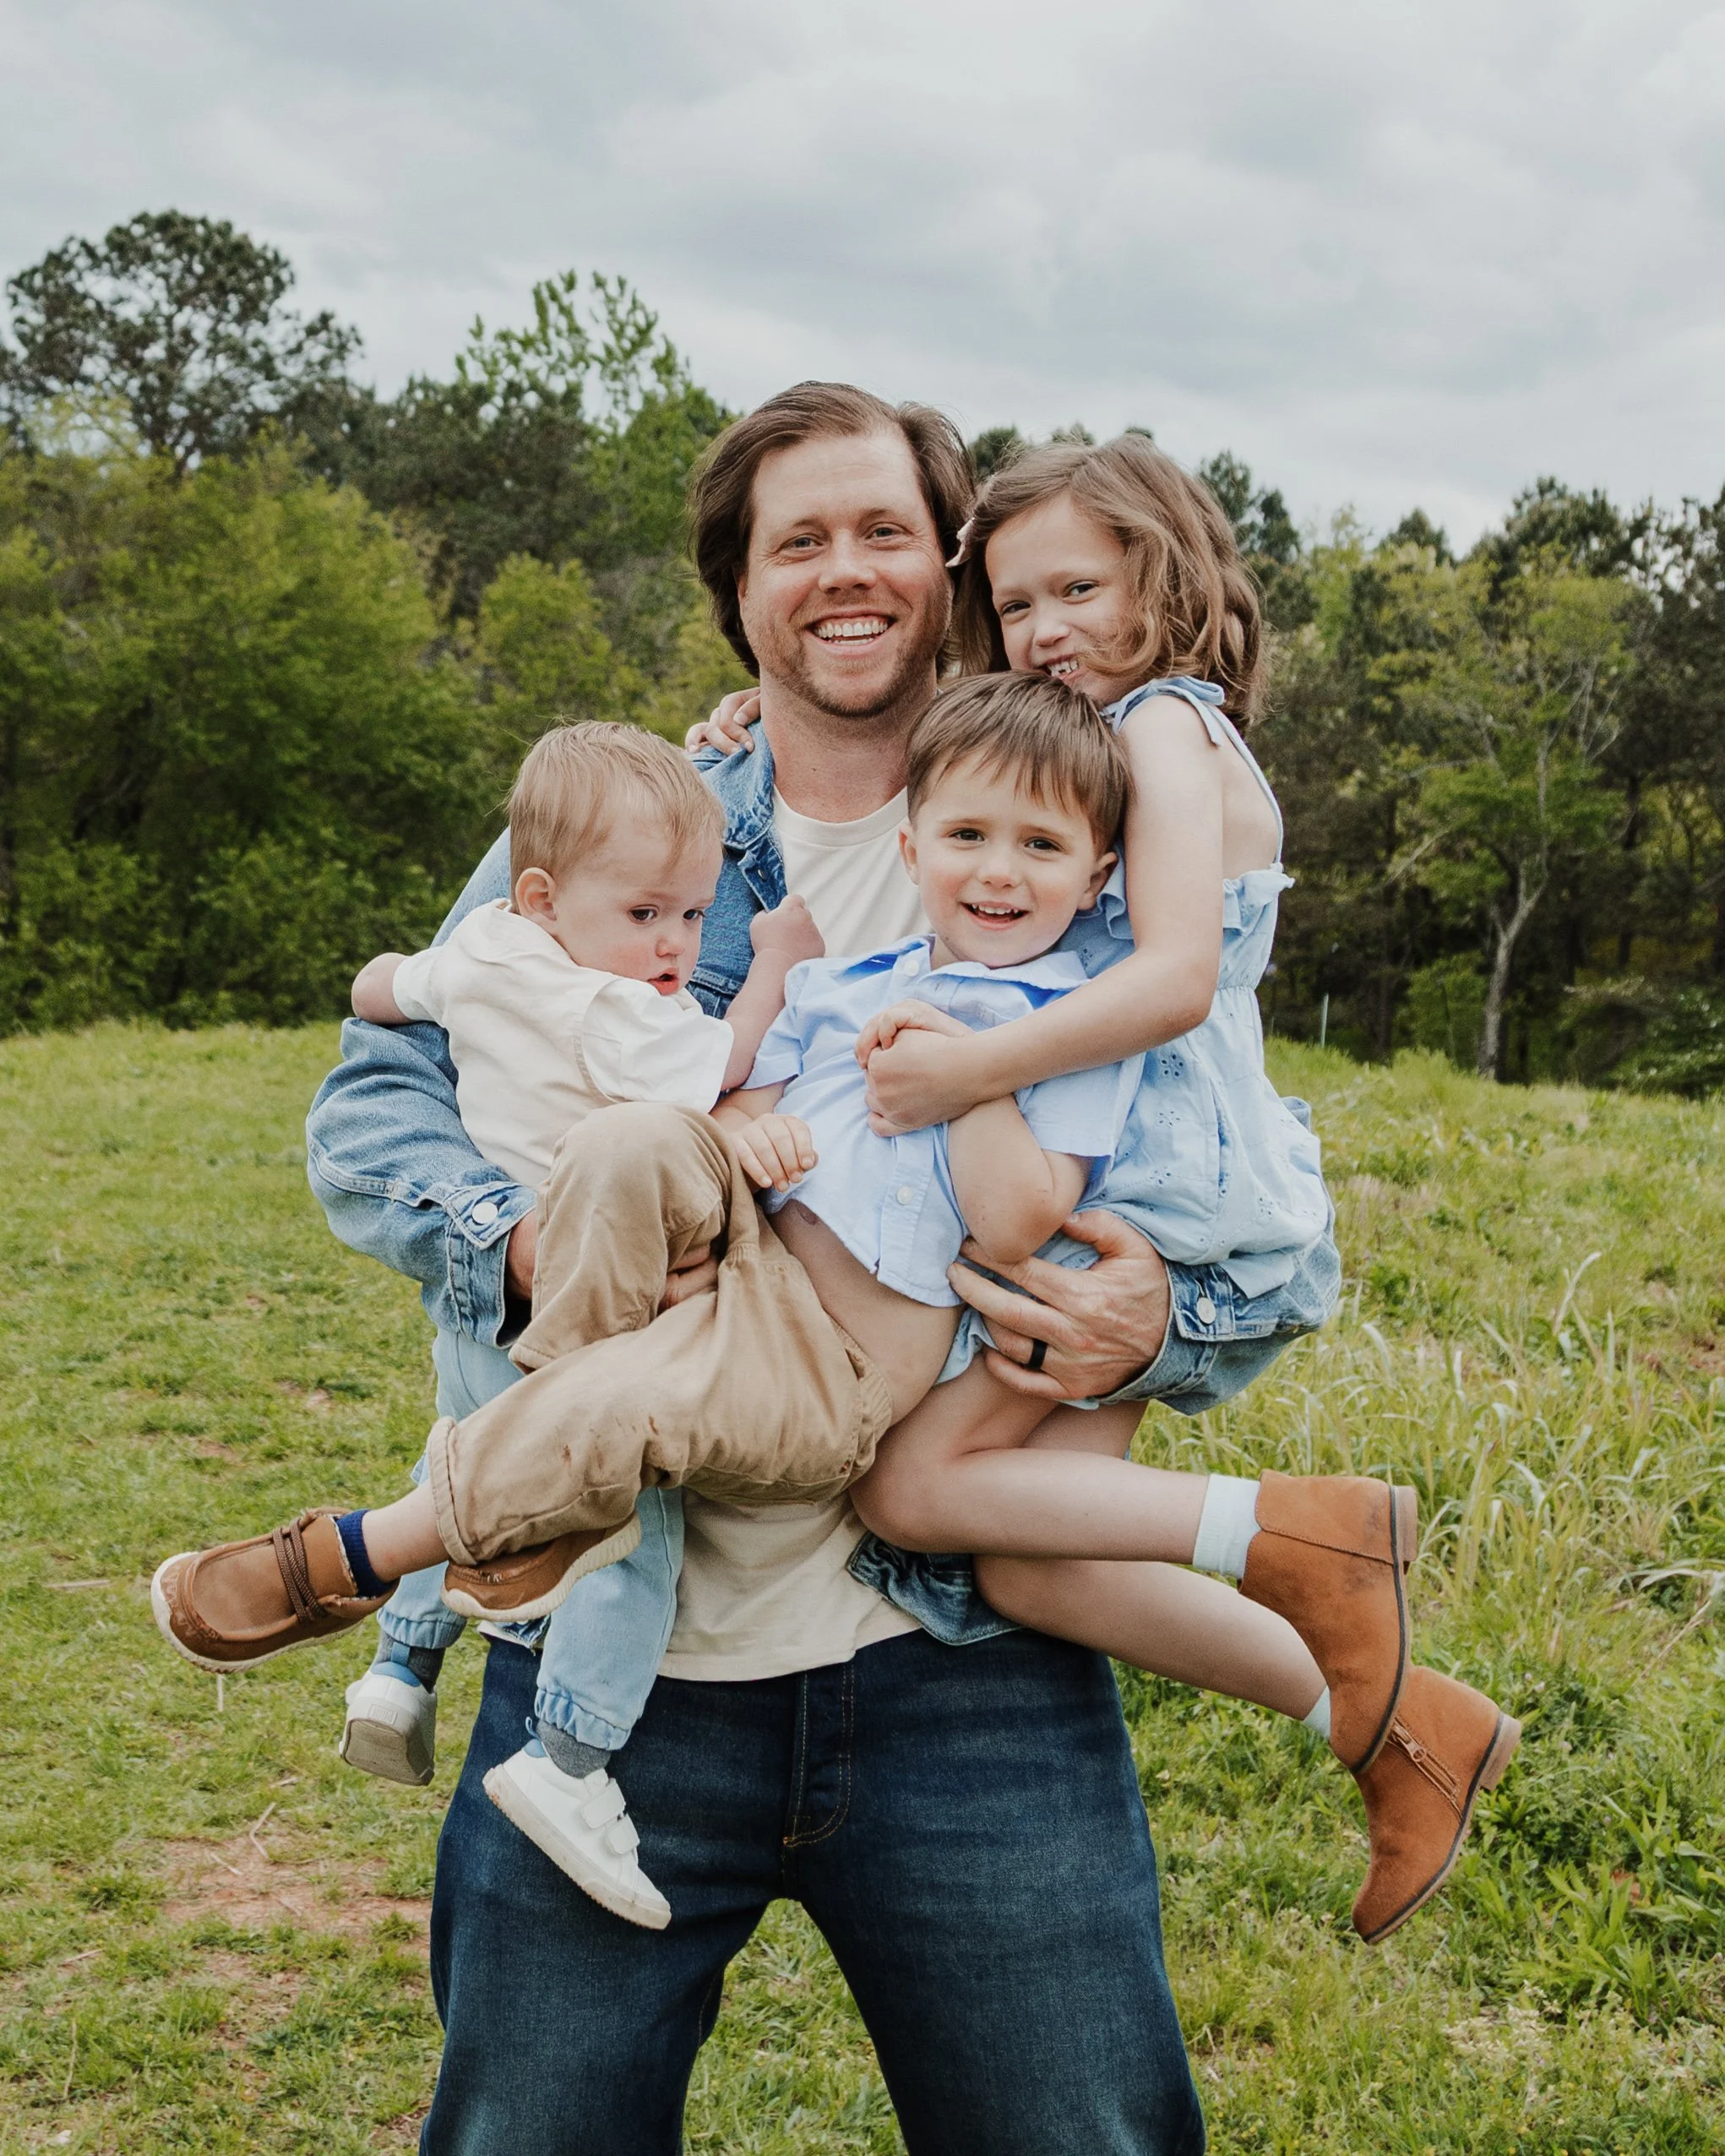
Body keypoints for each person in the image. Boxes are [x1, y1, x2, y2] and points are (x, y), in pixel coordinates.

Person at [289, 384, 1341, 2155]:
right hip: (615, 1656)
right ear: (739, 588)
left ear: (948, 570)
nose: (842, 576)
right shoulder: (638, 824)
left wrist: (1156, 1306)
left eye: (881, 534)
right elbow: (374, 1108)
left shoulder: (1069, 810)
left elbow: (1201, 1112)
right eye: (796, 542)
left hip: (961, 1663)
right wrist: (562, 1246)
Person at [697, 435, 1521, 1944]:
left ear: (1166, 573)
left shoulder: (1162, 730)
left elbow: (1174, 975)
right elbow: (977, 764)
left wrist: (959, 1080)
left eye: (1079, 585)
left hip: (1162, 1198)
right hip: (1129, 1178)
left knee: (917, 1486)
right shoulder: (1113, 730)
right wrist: (755, 729)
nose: (1048, 628)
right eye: (1014, 608)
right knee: (1031, 1559)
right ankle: (1405, 1728)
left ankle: (1311, 1534)